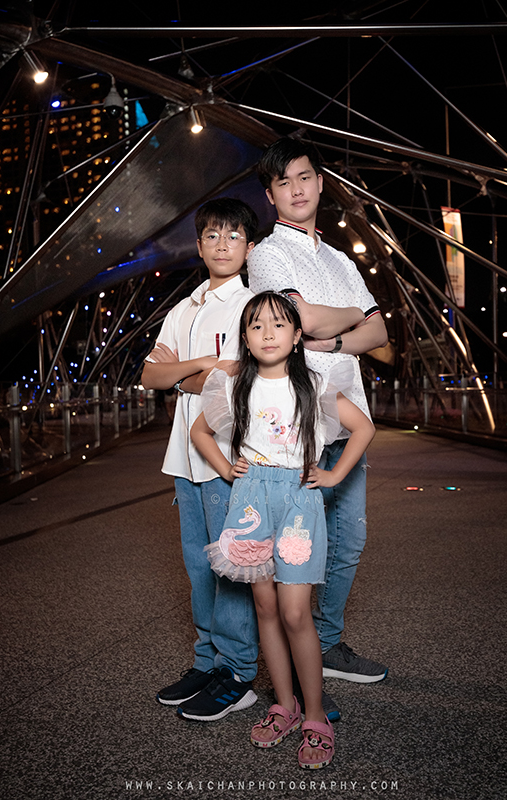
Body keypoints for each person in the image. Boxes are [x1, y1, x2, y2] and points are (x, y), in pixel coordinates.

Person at [190, 292, 375, 768]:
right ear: (246, 340)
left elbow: (363, 428)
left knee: (296, 613)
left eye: (278, 324)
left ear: (297, 337)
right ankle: (285, 706)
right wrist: (228, 470)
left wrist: (333, 475)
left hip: (297, 501)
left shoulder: (314, 383)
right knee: (265, 607)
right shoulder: (234, 387)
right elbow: (199, 433)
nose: (267, 333)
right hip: (250, 502)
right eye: (256, 326)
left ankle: (316, 715)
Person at [247, 138, 389, 694]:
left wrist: (334, 339)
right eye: (284, 182)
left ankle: (326, 642)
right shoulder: (267, 254)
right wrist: (354, 314)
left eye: (304, 177)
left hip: (345, 411)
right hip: (295, 420)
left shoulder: (342, 259)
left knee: (348, 539)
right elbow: (299, 318)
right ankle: (298, 642)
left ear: (321, 182)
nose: (297, 189)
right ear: (271, 195)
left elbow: (379, 335)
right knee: (297, 544)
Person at [141, 198, 259, 721]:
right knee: (198, 567)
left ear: (249, 247)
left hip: (226, 457)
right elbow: (149, 376)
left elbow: (237, 376)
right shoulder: (182, 307)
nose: (222, 244)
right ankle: (207, 659)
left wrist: (187, 374)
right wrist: (205, 364)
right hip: (182, 459)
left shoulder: (254, 305)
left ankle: (238, 672)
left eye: (233, 236)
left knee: (231, 567)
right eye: (212, 235)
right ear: (199, 244)